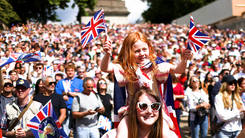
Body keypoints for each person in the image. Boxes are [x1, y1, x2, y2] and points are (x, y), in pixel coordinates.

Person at [101, 32, 192, 135]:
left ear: (149, 48)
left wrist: (185, 59)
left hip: (155, 110)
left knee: (166, 134)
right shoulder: (126, 69)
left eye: (144, 49)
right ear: (129, 52)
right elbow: (105, 68)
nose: (142, 53)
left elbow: (178, 69)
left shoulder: (157, 66)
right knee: (121, 133)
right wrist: (107, 54)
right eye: (137, 51)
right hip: (132, 110)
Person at [55, 64, 84, 136]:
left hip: (77, 109)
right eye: (68, 71)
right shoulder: (61, 82)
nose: (70, 72)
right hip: (65, 109)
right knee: (65, 129)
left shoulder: (80, 82)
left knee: (77, 130)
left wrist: (70, 93)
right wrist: (62, 96)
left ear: (74, 72)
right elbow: (57, 94)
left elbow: (82, 94)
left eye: (72, 71)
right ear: (66, 72)